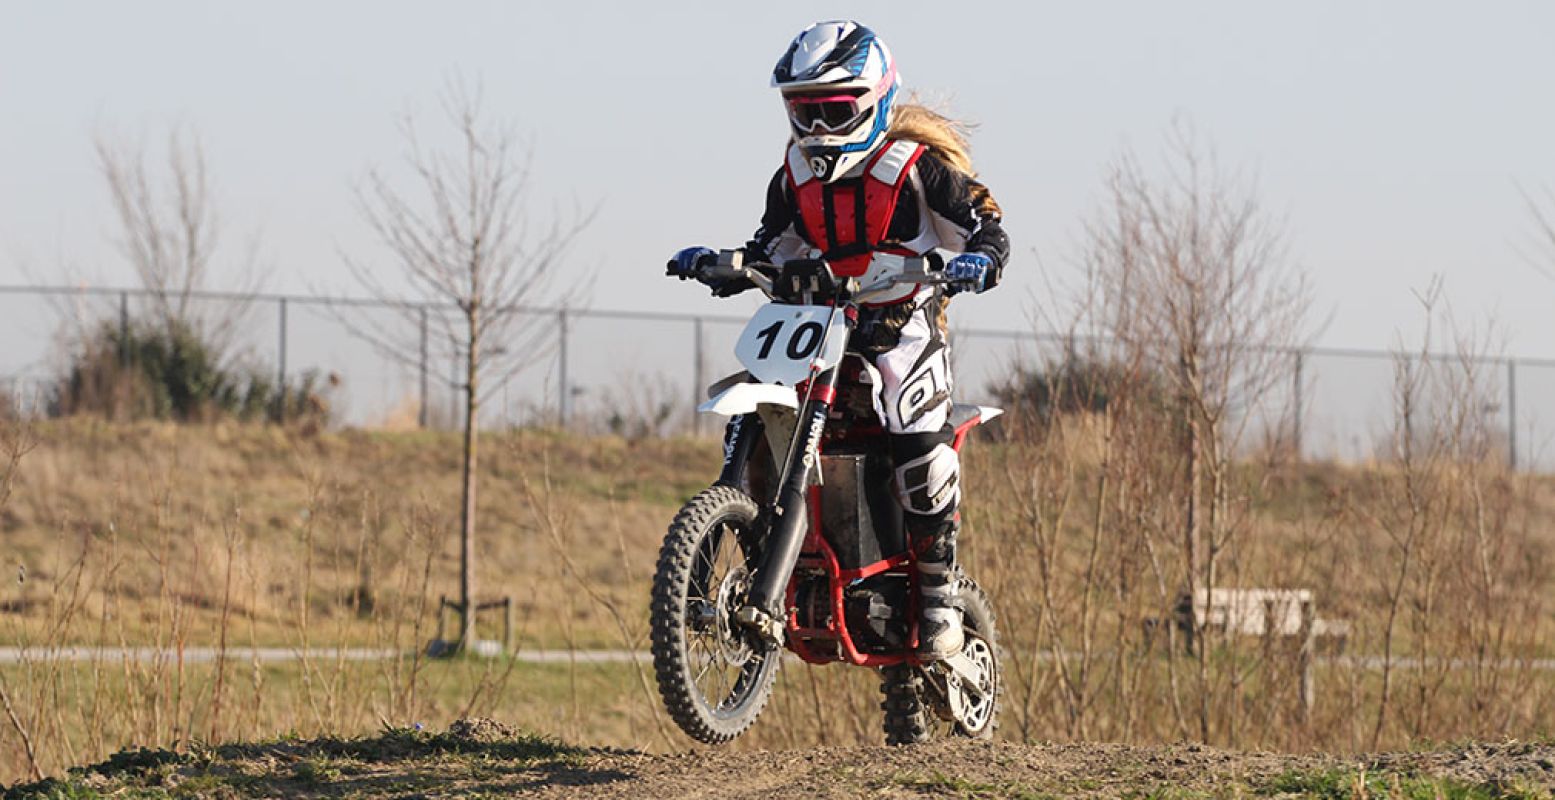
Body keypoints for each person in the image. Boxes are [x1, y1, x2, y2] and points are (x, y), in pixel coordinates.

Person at [666, 20, 1009, 660]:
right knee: (754, 403)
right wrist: (725, 263)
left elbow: (985, 223)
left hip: (899, 324)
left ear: (874, 101)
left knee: (918, 442)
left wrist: (980, 260)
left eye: (834, 110)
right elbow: (772, 242)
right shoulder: (794, 174)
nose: (819, 129)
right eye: (806, 112)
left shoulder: (917, 169)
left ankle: (936, 598)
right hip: (819, 325)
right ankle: (744, 551)